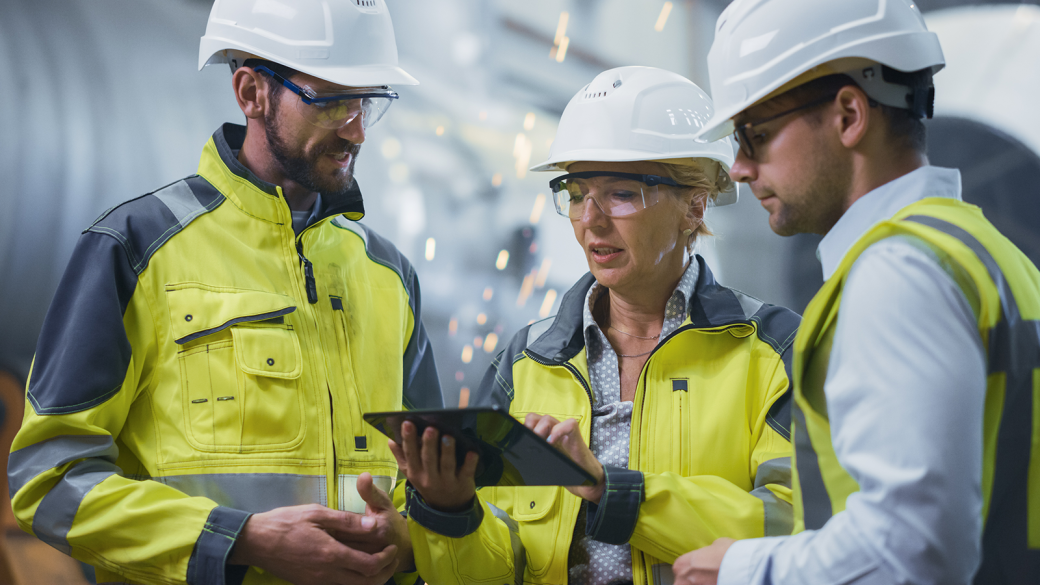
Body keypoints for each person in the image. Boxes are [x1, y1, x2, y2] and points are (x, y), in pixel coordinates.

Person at [7, 1, 442, 584]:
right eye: (332, 100)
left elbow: (435, 482)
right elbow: (50, 481)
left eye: (367, 100)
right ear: (251, 92)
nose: (356, 128)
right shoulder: (138, 249)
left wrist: (412, 540)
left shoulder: (389, 275)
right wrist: (242, 540)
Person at [671, 1, 1040, 584]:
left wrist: (745, 570)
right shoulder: (985, 252)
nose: (739, 167)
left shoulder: (897, 275)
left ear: (848, 114)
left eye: (756, 135)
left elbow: (914, 549)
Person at [391, 66, 800, 585]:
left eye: (622, 193)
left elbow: (793, 528)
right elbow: (500, 568)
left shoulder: (772, 352)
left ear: (694, 205)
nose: (591, 219)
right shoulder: (528, 361)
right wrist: (450, 512)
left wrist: (612, 491)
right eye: (578, 192)